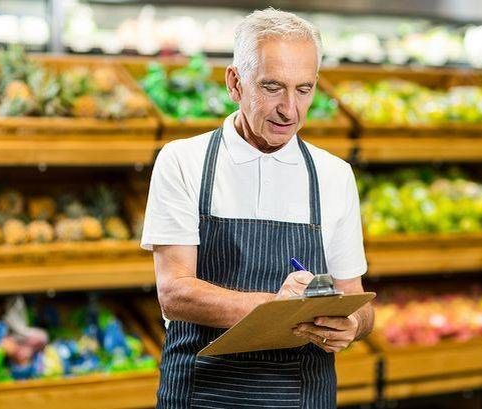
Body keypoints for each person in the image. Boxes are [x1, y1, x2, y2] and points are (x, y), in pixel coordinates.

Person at [141, 7, 374, 408]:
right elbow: (174, 294)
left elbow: (356, 298)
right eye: (272, 87)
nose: (291, 110)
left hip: (302, 395)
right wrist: (275, 309)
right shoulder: (183, 161)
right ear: (235, 82)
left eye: (304, 89)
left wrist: (351, 325)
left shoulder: (334, 176)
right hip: (202, 393)